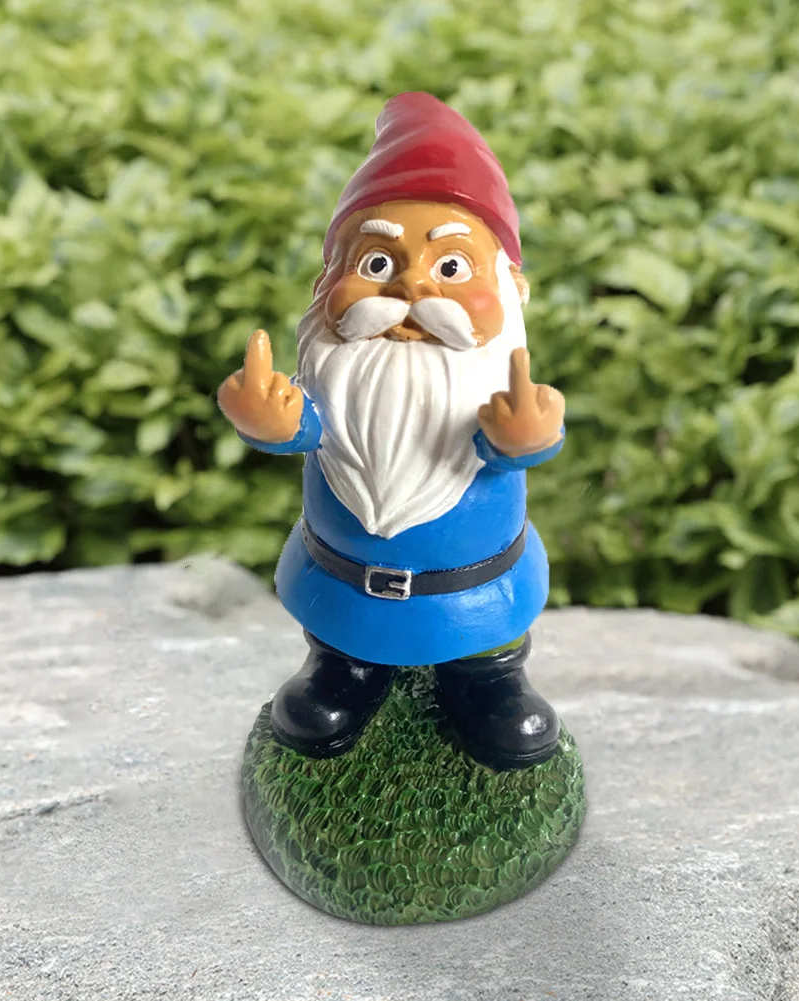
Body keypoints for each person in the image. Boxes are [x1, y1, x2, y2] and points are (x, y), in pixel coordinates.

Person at [217, 92, 566, 771]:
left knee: (484, 649)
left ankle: (488, 680)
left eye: (450, 268)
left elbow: (507, 444)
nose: (409, 289)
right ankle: (343, 671)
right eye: (377, 263)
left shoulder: (490, 387)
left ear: (511, 289)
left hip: (475, 591)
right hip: (342, 582)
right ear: (326, 283)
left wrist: (524, 438)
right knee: (341, 641)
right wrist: (273, 423)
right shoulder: (337, 380)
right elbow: (311, 427)